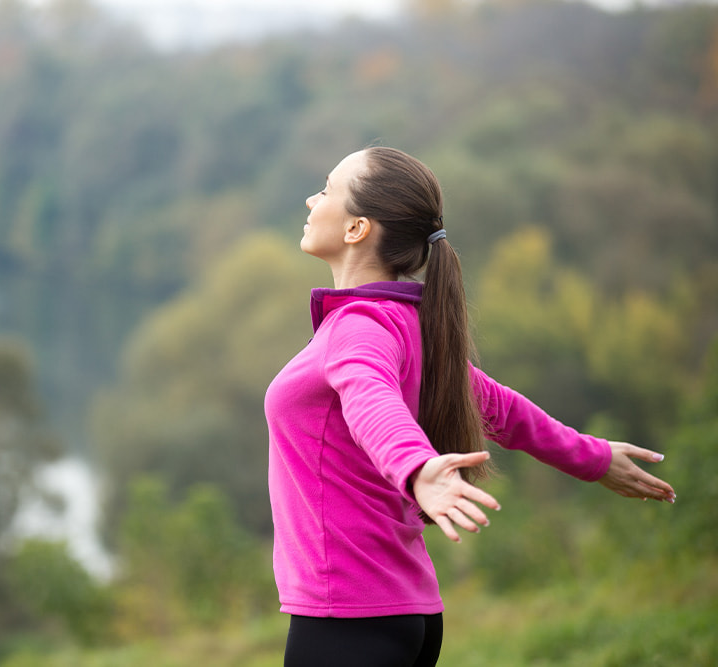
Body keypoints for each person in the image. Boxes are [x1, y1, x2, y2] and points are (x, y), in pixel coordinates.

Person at [263, 147, 676, 667]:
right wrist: (589, 456)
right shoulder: (404, 325)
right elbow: (498, 407)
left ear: (356, 229)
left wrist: (415, 467)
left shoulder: (359, 330)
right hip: (404, 614)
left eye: (326, 189)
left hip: (349, 618)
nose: (311, 198)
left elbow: (372, 400)